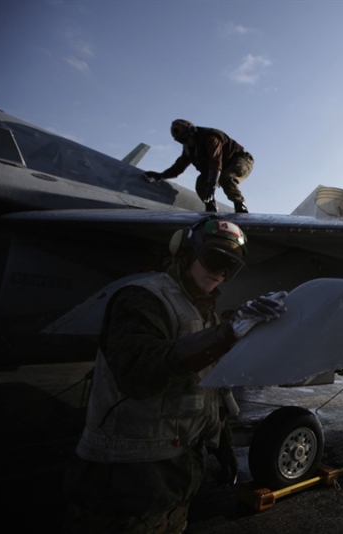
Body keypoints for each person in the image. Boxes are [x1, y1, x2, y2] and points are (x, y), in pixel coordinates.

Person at [63, 215, 286, 533]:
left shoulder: (201, 311)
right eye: (214, 259)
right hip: (122, 482)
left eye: (230, 268)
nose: (220, 273)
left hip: (173, 479)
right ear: (185, 251)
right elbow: (139, 372)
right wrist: (225, 335)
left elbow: (208, 386)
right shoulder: (142, 297)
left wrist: (220, 442)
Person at [144, 119, 254, 213]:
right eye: (182, 141)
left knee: (227, 178)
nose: (186, 142)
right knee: (201, 182)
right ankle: (211, 208)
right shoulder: (189, 149)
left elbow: (215, 160)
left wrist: (211, 187)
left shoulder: (210, 137)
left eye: (186, 138)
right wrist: (161, 175)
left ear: (191, 132)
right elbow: (178, 167)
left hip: (240, 160)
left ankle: (240, 205)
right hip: (219, 165)